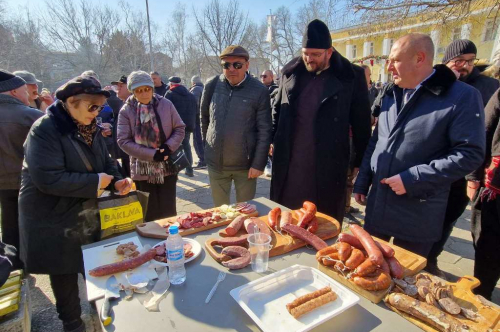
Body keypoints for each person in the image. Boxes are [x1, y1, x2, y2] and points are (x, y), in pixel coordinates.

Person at [353, 33, 485, 257]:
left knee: (407, 283)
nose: (389, 68)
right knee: (367, 272)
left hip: (417, 213)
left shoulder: (462, 96)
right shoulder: (390, 93)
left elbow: (469, 153)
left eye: (394, 60)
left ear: (419, 58)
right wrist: (363, 180)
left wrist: (413, 178)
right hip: (378, 208)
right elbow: (378, 141)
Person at [19, 75, 132, 332]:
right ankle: (71, 323)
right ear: (71, 102)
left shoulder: (89, 124)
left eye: (100, 107)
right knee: (64, 269)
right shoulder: (45, 128)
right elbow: (47, 178)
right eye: (92, 107)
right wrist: (96, 181)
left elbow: (107, 160)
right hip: (52, 214)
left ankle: (101, 311)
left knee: (94, 263)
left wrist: (116, 181)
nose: (97, 112)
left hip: (84, 208)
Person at [271, 19, 372, 224]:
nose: (310, 59)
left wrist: (360, 162)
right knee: (287, 218)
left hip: (328, 162)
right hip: (291, 161)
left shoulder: (351, 76)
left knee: (323, 221)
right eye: (306, 54)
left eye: (316, 55)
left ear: (330, 51)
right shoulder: (290, 73)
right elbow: (277, 110)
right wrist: (272, 140)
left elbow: (362, 123)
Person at [425, 39, 500, 278]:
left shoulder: (488, 86)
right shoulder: (437, 82)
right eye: (458, 61)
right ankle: (420, 256)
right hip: (434, 166)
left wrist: (473, 177)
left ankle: (432, 259)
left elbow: (485, 133)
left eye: (469, 61)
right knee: (426, 220)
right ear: (448, 61)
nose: (464, 66)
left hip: (463, 171)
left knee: (448, 220)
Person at [201, 45, 272, 206]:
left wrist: (258, 163)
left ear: (247, 65)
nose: (231, 69)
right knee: (220, 213)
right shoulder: (212, 85)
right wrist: (209, 146)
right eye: (226, 65)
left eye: (237, 65)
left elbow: (265, 130)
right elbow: (204, 119)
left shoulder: (259, 90)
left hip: (245, 167)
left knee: (245, 213)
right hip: (217, 165)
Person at [117, 71, 185, 221]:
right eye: (138, 90)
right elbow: (123, 141)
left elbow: (179, 128)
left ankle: (171, 241)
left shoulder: (166, 104)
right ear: (133, 92)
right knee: (150, 213)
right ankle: (153, 243)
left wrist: (168, 147)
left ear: (152, 88)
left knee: (169, 212)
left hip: (167, 165)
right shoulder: (126, 111)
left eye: (147, 89)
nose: (144, 93)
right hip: (142, 170)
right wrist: (152, 154)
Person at [0, 70, 43, 256]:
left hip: (3, 184)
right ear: (14, 92)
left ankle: (13, 266)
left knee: (8, 224)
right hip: (29, 182)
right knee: (35, 225)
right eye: (24, 90)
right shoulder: (30, 116)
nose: (28, 94)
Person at [467, 88, 500, 300]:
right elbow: (484, 131)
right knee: (489, 243)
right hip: (496, 187)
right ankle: (482, 292)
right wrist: (473, 176)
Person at [165, 76, 197, 177]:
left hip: (175, 126)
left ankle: (175, 170)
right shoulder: (190, 94)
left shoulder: (170, 94)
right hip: (188, 125)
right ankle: (189, 169)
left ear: (171, 84)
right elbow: (195, 109)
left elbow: (165, 111)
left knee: (174, 148)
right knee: (186, 146)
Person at [111, 75, 131, 177]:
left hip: (132, 155)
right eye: (116, 87)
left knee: (139, 188)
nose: (117, 89)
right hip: (125, 153)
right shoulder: (124, 103)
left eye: (120, 86)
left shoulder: (134, 105)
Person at [190, 75, 206, 169]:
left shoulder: (195, 90)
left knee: (197, 139)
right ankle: (204, 159)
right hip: (203, 117)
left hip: (197, 117)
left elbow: (194, 104)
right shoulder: (203, 88)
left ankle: (202, 160)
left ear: (193, 82)